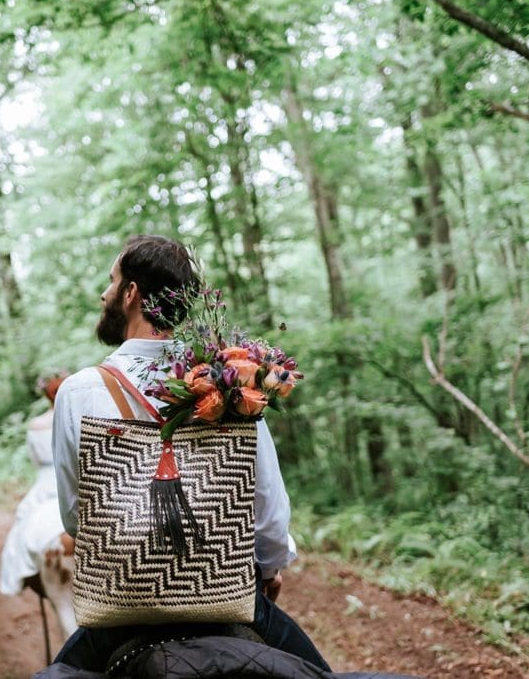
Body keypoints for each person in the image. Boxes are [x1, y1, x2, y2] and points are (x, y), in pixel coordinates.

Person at [51, 234, 331, 672]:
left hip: (122, 605)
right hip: (227, 597)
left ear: (130, 294)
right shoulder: (233, 381)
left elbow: (76, 517)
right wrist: (270, 569)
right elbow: (268, 510)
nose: (104, 293)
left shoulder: (79, 391)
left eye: (111, 281)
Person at [0, 374, 78, 641]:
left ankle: (27, 576)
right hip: (71, 479)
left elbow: (36, 461)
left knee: (23, 523)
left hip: (46, 483)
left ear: (46, 395)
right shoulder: (78, 417)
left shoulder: (36, 425)